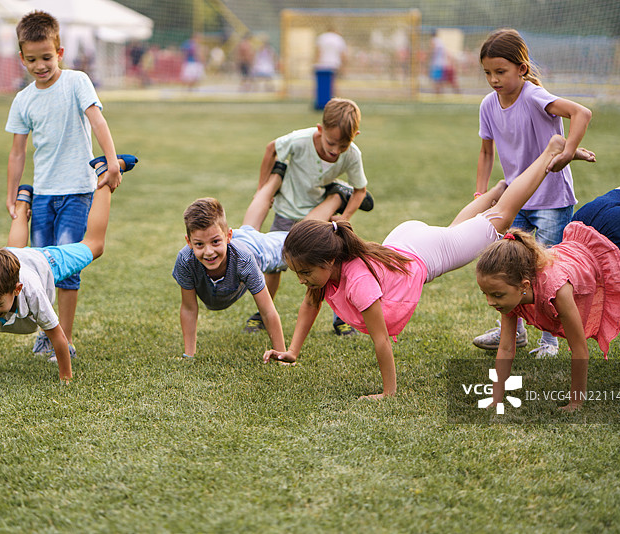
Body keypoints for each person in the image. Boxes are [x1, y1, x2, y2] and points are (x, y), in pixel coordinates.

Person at [263, 135, 578, 400]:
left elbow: (381, 339)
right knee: (454, 232)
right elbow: (309, 305)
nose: (302, 281)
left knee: (503, 215)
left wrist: (388, 392)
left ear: (328, 260)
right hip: (407, 240)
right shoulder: (331, 269)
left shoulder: (358, 282)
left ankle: (548, 151)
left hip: (421, 254)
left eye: (304, 273)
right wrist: (292, 351)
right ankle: (495, 193)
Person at [476, 139, 620, 411]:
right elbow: (506, 350)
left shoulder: (556, 290)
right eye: (486, 294)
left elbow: (579, 351)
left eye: (495, 294)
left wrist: (575, 402)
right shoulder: (511, 292)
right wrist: (497, 396)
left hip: (618, 236)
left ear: (524, 284)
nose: (490, 302)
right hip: (588, 218)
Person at [0, 156, 135, 385]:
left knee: (95, 246)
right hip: (16, 256)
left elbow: (58, 337)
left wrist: (65, 379)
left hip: (45, 262)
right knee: (13, 250)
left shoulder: (32, 291)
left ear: (17, 289)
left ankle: (104, 178)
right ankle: (22, 202)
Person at [5, 10, 124, 362]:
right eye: (32, 59)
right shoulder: (24, 99)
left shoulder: (76, 82)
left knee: (68, 266)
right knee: (41, 268)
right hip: (42, 195)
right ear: (22, 58)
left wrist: (112, 160)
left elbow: (98, 121)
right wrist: (11, 195)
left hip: (77, 190)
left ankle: (64, 340)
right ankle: (46, 335)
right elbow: (17, 152)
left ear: (59, 51)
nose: (40, 65)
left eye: (47, 57)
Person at [472, 28, 595, 358]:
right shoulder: (488, 105)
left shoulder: (535, 96)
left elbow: (581, 113)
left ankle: (551, 341)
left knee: (549, 272)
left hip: (552, 200)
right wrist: (481, 192)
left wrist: (569, 152)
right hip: (516, 201)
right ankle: (513, 330)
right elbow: (486, 152)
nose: (494, 80)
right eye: (487, 73)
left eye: (501, 72)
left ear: (522, 69)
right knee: (508, 267)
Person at [240, 97, 374, 336]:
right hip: (286, 209)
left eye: (343, 146)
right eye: (331, 143)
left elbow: (361, 190)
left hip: (317, 215)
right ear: (320, 130)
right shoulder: (300, 140)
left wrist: (344, 216)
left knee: (329, 266)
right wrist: (262, 189)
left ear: (355, 137)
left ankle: (341, 318)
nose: (335, 151)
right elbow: (271, 148)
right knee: (273, 265)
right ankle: (263, 312)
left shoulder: (352, 154)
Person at [172, 198, 289, 358]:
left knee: (303, 240)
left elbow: (267, 311)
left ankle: (331, 203)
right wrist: (189, 355)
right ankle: (270, 182)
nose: (209, 252)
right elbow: (189, 308)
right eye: (199, 244)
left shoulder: (244, 259)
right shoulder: (186, 260)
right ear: (189, 242)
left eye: (215, 242)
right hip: (237, 240)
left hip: (258, 248)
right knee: (248, 229)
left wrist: (282, 356)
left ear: (228, 236)